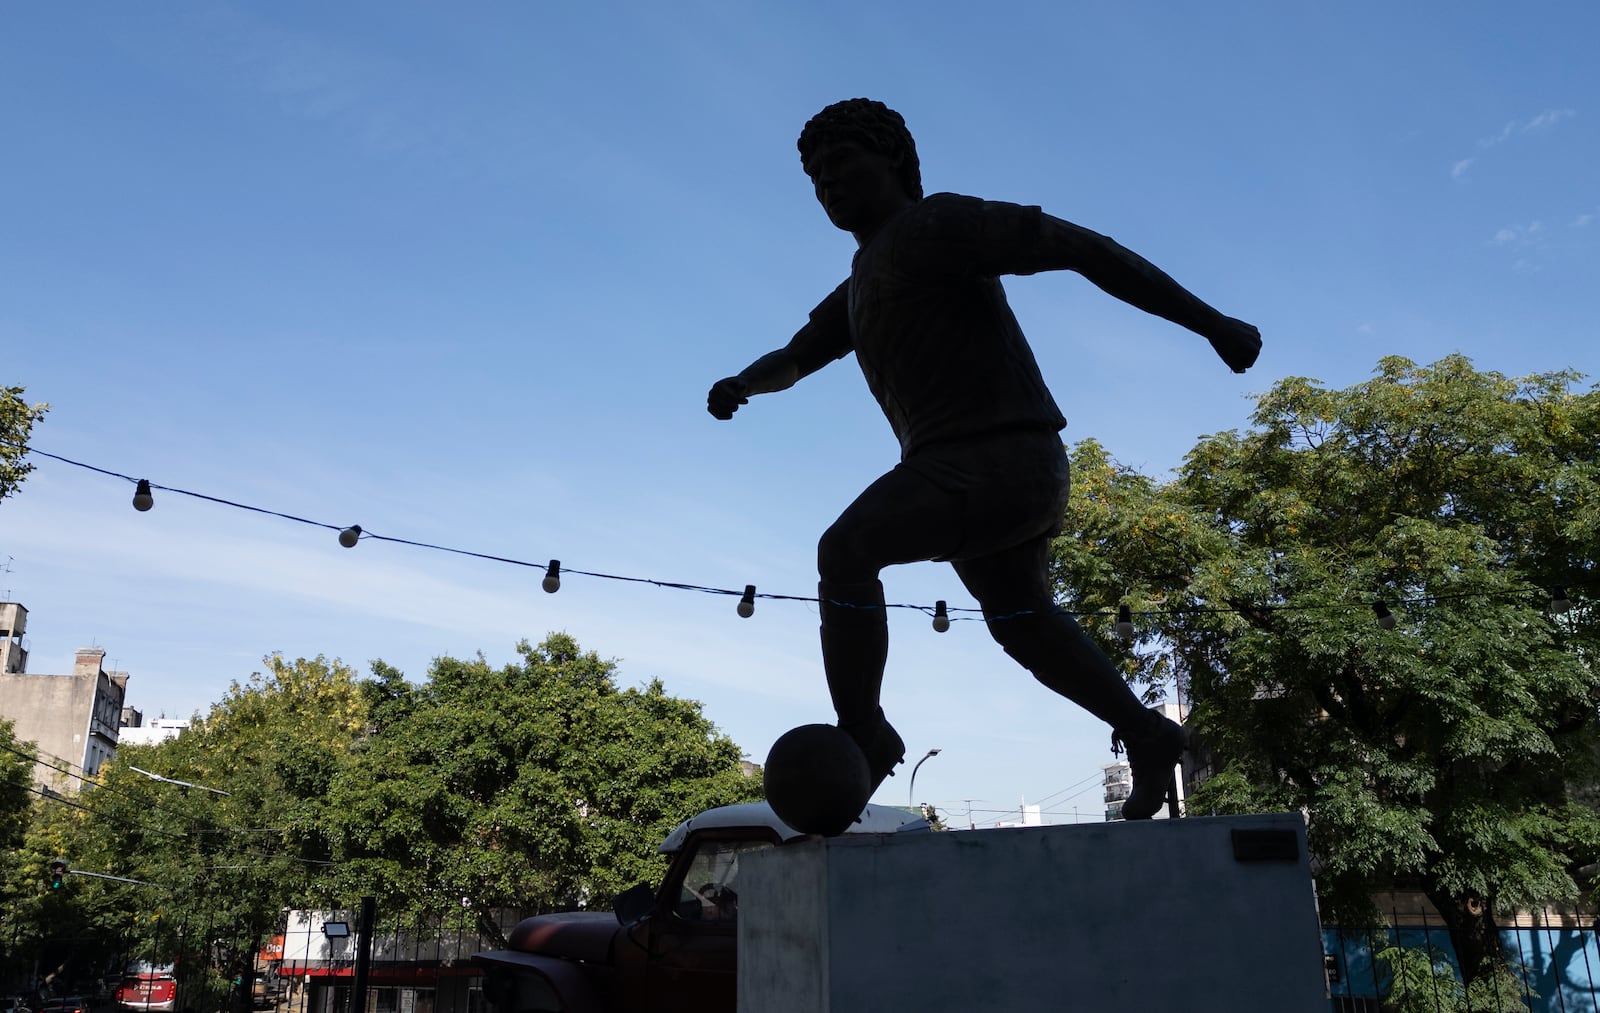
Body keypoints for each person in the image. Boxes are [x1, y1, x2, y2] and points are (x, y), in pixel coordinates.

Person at [707, 98, 1261, 820]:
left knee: (846, 549)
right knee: (1023, 621)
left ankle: (866, 736)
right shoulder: (858, 284)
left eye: (841, 163)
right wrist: (746, 382)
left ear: (896, 162)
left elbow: (1081, 247)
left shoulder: (937, 225)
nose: (828, 185)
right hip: (974, 471)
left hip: (1000, 459)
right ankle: (1148, 731)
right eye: (816, 177)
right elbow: (796, 355)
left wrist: (1211, 323)